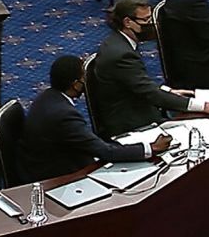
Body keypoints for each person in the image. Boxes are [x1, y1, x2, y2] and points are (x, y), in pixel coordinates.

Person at [88, 0, 209, 138]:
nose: (152, 24)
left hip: (137, 105)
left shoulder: (120, 41)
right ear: (127, 22)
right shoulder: (121, 54)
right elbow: (150, 94)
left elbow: (137, 82)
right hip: (130, 124)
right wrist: (203, 106)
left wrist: (167, 90)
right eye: (146, 19)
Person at [16, 56, 170, 182]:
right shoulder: (63, 115)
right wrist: (151, 148)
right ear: (76, 85)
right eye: (84, 78)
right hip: (57, 176)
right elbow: (104, 152)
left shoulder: (47, 97)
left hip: (49, 159)